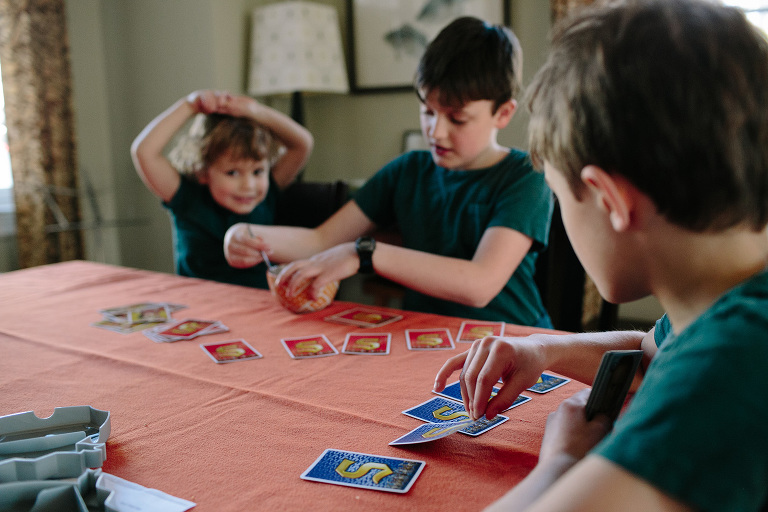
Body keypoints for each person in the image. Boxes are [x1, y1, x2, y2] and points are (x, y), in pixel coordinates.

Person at [435, 0, 768, 510]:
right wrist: (544, 350)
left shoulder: (733, 366)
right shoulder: (729, 296)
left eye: (561, 198)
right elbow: (653, 353)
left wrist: (563, 465)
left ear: (609, 199)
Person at [224, 17, 553, 326]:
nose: (435, 131)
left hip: (515, 343)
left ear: (504, 113)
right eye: (427, 110)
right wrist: (247, 235)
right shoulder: (408, 170)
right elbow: (321, 240)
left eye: (456, 118)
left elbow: (479, 284)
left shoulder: (525, 176)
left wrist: (363, 253)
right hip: (426, 340)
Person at [131, 90, 313, 288]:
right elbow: (144, 152)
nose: (249, 186)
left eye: (258, 171)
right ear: (202, 171)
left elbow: (303, 144)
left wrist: (255, 110)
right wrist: (190, 106)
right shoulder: (187, 197)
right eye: (232, 173)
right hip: (201, 307)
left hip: (261, 305)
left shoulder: (268, 191)